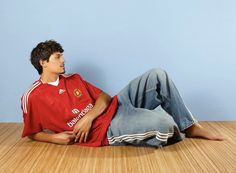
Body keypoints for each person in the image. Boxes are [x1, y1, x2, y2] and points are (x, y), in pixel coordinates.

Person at [21, 40, 224, 147]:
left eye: (62, 56)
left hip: (116, 105)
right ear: (43, 62)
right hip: (105, 130)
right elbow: (31, 133)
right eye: (58, 57)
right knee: (164, 126)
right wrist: (55, 139)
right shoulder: (33, 96)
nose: (63, 60)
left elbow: (104, 97)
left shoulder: (74, 78)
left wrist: (89, 117)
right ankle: (155, 121)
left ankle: (189, 126)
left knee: (158, 74)